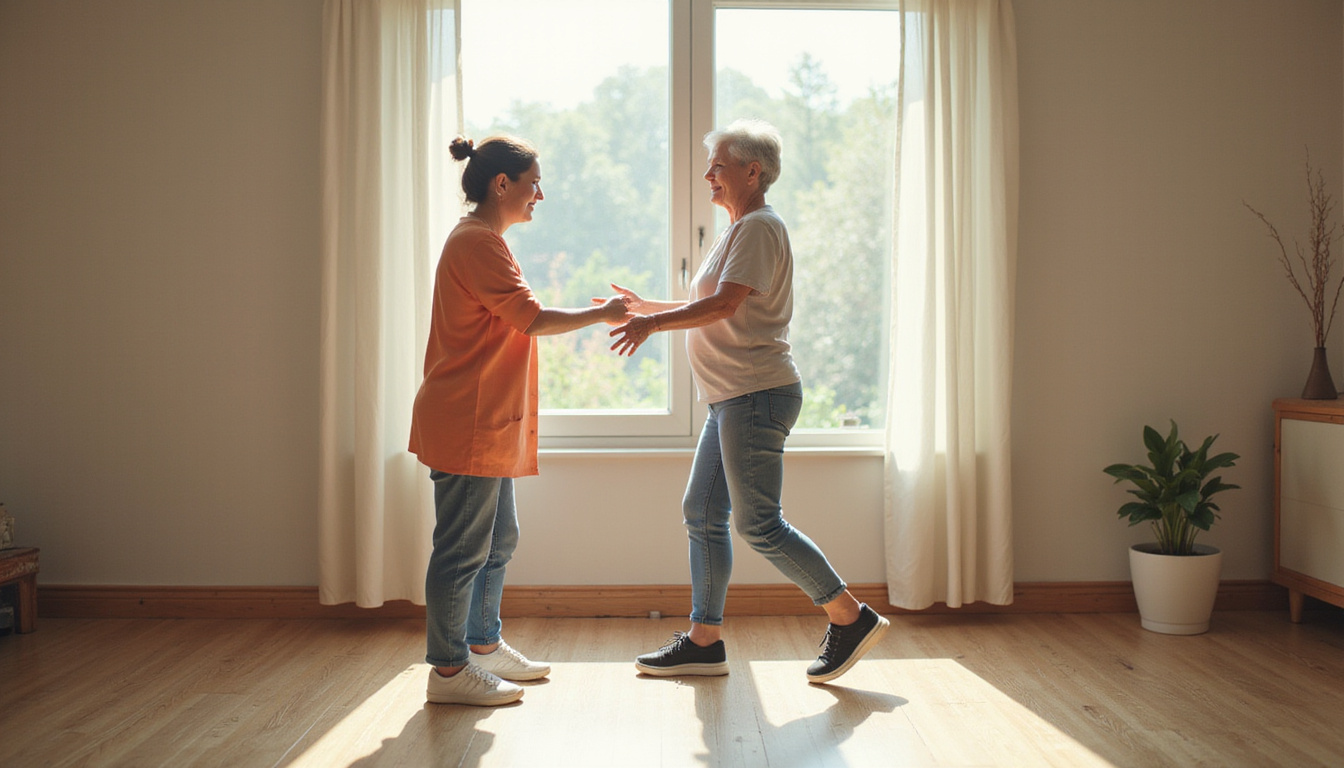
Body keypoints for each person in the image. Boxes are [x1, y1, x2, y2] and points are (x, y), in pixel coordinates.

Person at [609, 119, 888, 684]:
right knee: (703, 512)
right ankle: (704, 641)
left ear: (752, 171)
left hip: (756, 394)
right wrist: (648, 307)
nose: (708, 173)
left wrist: (656, 324)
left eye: (718, 164)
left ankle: (849, 616)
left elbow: (726, 306)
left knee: (759, 524)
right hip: (733, 397)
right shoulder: (738, 230)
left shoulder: (759, 227)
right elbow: (716, 298)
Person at [410, 134, 631, 706]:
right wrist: (602, 313)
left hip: (486, 419)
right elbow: (529, 319)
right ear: (500, 184)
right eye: (534, 183)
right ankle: (449, 674)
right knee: (461, 550)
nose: (541, 194)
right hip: (468, 420)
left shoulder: (487, 241)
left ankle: (482, 644)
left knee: (499, 539)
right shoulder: (477, 244)